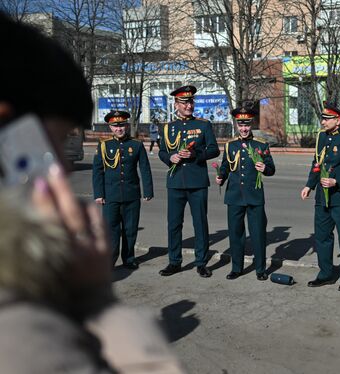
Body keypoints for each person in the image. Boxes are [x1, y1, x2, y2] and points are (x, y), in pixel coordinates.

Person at [0, 12, 185, 373]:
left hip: (128, 197)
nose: (66, 166)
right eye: (57, 140)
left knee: (128, 232)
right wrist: (96, 300)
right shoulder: (20, 328)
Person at [300, 102, 340, 292]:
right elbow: (317, 163)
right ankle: (325, 273)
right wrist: (309, 185)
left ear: (338, 120)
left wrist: (338, 182)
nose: (323, 122)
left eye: (327, 119)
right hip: (322, 197)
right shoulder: (321, 137)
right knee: (322, 237)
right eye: (323, 118)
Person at [158, 85, 220, 277]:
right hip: (175, 182)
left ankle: (201, 262)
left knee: (200, 223)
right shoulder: (167, 128)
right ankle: (174, 261)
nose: (189, 105)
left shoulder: (203, 124)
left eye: (191, 102)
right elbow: (162, 151)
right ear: (176, 104)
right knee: (174, 224)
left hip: (197, 182)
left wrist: (195, 154)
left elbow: (214, 150)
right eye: (184, 103)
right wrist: (170, 158)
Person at [215, 107, 276, 281]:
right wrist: (221, 176)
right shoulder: (230, 145)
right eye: (241, 125)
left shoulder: (261, 145)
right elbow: (226, 166)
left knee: (257, 234)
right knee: (235, 234)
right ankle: (237, 268)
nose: (244, 128)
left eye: (247, 125)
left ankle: (260, 269)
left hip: (254, 197)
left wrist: (265, 168)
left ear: (251, 125)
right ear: (236, 125)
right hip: (234, 196)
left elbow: (271, 169)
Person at [92, 110, 154, 270]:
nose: (119, 129)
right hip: (110, 196)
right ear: (110, 127)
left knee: (130, 229)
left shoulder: (137, 145)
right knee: (110, 230)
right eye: (115, 126)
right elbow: (98, 171)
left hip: (131, 194)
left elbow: (145, 169)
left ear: (126, 125)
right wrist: (99, 194)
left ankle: (129, 258)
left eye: (122, 125)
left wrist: (148, 191)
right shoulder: (104, 145)